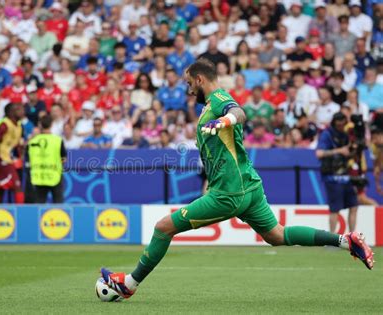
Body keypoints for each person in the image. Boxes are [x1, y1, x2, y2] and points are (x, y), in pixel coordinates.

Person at [100, 60, 374, 301]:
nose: (188, 90)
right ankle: (345, 240)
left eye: (189, 84)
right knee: (277, 235)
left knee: (163, 228)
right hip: (249, 187)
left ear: (199, 79)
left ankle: (129, 284)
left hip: (229, 193)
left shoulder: (219, 98)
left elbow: (239, 112)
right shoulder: (209, 105)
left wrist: (226, 121)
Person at [316, 112, 359, 233]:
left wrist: (353, 150)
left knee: (354, 206)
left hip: (346, 176)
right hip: (332, 177)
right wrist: (340, 150)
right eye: (339, 124)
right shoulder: (327, 134)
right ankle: (332, 237)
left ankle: (352, 237)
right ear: (334, 123)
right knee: (335, 209)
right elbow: (319, 153)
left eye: (343, 124)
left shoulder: (347, 135)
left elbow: (349, 155)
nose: (341, 126)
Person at [0, 103, 25, 204]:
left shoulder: (19, 126)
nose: (22, 111)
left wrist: (21, 151)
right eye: (18, 109)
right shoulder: (4, 125)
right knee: (17, 185)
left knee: (0, 189)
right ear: (11, 112)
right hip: (1, 159)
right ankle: (21, 213)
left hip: (9, 159)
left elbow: (15, 144)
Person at [28, 115, 66, 204]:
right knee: (58, 204)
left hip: (38, 176)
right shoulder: (57, 140)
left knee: (39, 205)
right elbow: (64, 158)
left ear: (40, 125)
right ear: (52, 125)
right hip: (54, 175)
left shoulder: (32, 141)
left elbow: (28, 158)